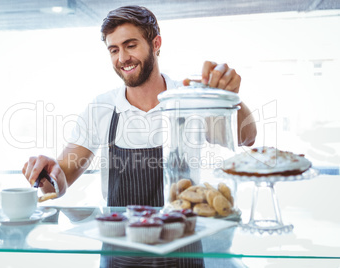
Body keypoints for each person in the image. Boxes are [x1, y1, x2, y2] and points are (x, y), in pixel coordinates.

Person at [23, 5, 256, 267]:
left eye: (130, 45)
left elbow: (246, 137)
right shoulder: (102, 108)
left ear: (155, 43)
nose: (122, 58)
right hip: (120, 253)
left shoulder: (188, 98)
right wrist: (47, 172)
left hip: (183, 250)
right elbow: (60, 179)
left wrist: (231, 98)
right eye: (114, 50)